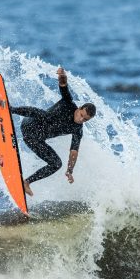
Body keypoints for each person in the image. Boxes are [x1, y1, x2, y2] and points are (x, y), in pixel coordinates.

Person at [10, 65, 95, 196]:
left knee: (56, 164)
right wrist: (62, 76)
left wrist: (70, 171)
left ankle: (26, 182)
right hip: (30, 124)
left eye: (85, 120)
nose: (81, 119)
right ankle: (11, 109)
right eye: (81, 115)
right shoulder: (68, 103)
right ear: (79, 108)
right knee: (46, 116)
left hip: (33, 140)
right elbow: (63, 86)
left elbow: (74, 152)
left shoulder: (78, 130)